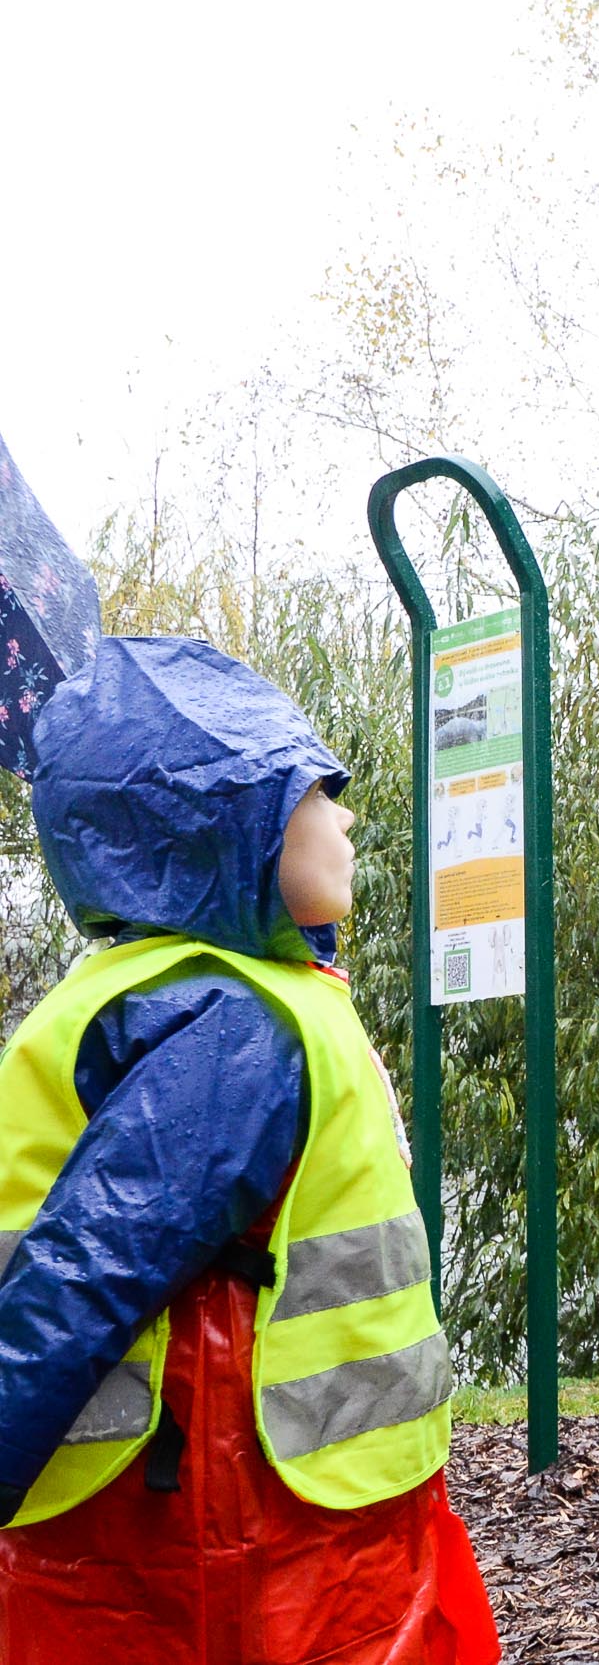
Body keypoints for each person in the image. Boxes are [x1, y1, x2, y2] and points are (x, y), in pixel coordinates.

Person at [0, 637, 500, 1663]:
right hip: (232, 1552)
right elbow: (78, 1281)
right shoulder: (229, 1025)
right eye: (315, 789)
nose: (346, 818)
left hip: (253, 1532)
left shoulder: (210, 999)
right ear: (222, 815)